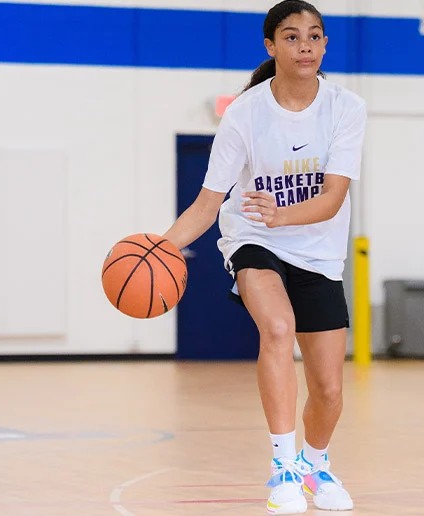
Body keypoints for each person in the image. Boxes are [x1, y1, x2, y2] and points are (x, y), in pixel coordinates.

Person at [163, 0, 366, 513]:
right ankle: (282, 467)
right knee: (276, 329)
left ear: (324, 45)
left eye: (315, 36)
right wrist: (161, 249)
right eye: (293, 37)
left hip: (318, 250)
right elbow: (209, 203)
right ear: (271, 46)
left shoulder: (347, 108)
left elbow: (332, 199)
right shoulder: (244, 114)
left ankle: (316, 467)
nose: (306, 46)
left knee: (329, 390)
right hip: (255, 237)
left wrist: (285, 214)